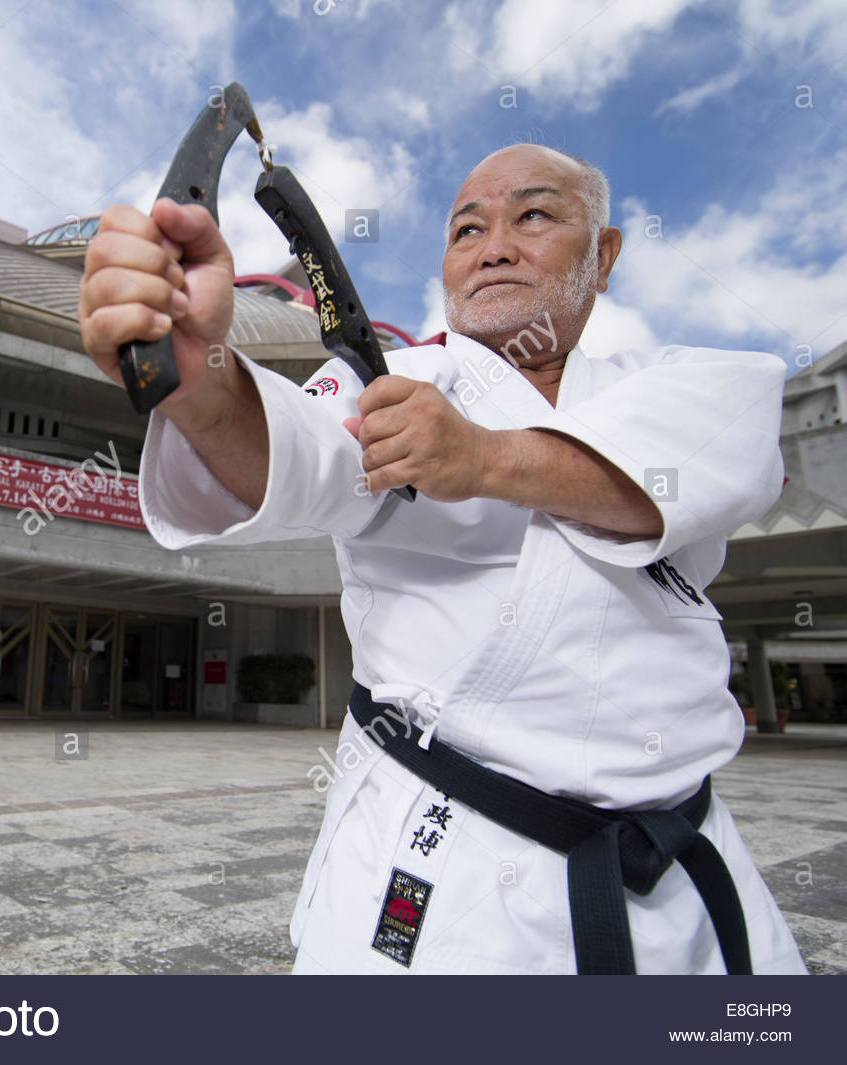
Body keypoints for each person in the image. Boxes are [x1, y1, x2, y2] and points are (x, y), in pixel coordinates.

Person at [77, 143, 807, 974]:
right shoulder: (400, 381)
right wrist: (197, 374)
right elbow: (303, 451)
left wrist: (483, 459)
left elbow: (715, 459)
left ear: (603, 255)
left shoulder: (680, 381)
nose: (494, 245)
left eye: (532, 215)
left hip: (688, 883)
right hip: (448, 874)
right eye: (467, 229)